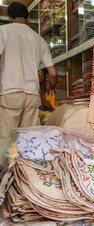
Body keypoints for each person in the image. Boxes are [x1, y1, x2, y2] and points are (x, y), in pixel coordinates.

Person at [0, 1, 57, 139]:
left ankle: (4, 161)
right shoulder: (39, 39)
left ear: (9, 17)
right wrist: (50, 89)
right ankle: (25, 162)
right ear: (28, 18)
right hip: (32, 95)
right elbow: (53, 73)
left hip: (9, 92)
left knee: (5, 141)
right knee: (28, 141)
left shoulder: (3, 32)